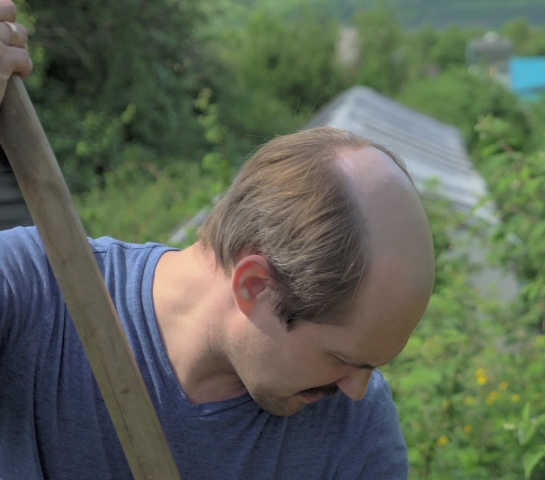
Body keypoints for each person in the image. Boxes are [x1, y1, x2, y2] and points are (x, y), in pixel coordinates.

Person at [0, 2, 436, 479]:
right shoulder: (35, 296)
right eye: (342, 359)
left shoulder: (355, 430)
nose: (356, 389)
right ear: (254, 285)